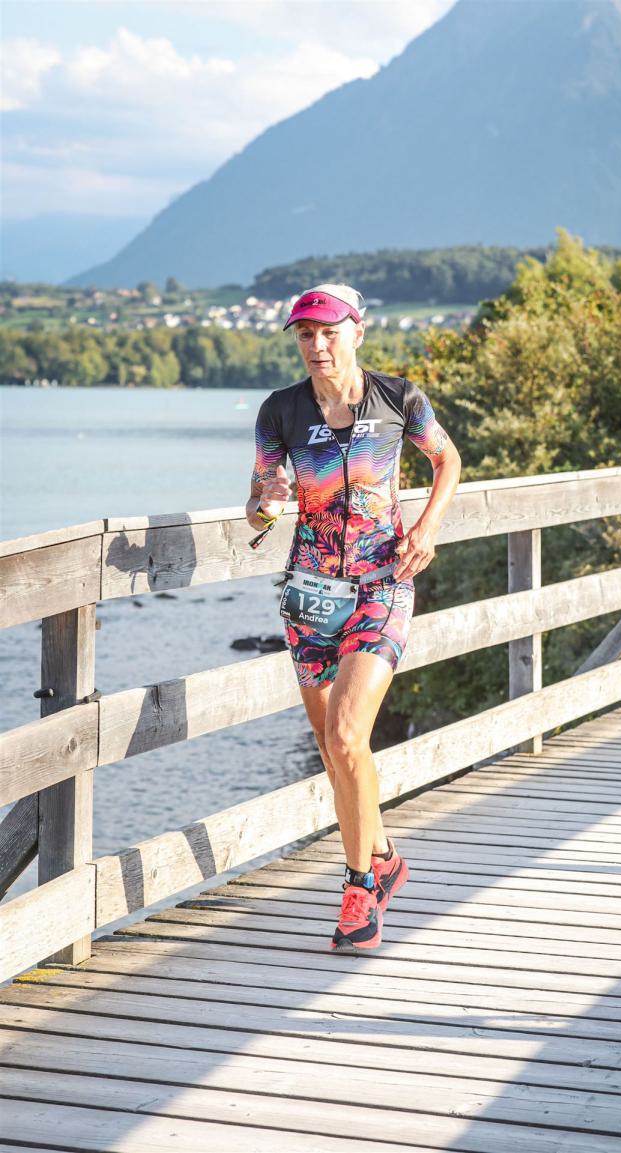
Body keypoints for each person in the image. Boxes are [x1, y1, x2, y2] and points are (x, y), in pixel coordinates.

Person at [246, 283, 461, 950]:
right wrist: (267, 500)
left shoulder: (399, 399)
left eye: (328, 332)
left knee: (345, 734)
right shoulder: (280, 411)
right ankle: (385, 853)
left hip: (381, 583)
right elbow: (257, 508)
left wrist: (427, 526)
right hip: (311, 593)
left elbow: (447, 457)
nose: (316, 345)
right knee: (334, 746)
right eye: (305, 335)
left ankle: (359, 887)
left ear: (357, 332)